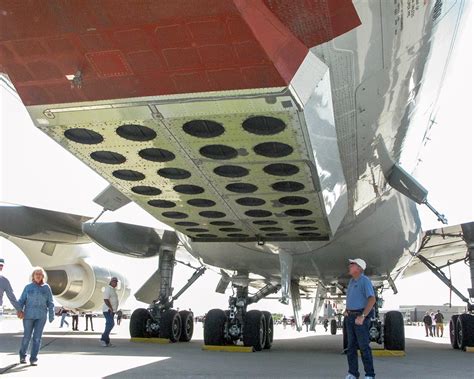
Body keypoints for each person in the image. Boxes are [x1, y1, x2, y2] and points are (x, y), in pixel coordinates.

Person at [344, 258, 376, 379]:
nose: (349, 266)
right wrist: (346, 310)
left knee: (364, 347)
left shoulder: (365, 281)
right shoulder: (352, 282)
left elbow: (372, 299)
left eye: (352, 265)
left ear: (359, 268)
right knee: (351, 347)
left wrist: (363, 316)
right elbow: (352, 298)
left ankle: (369, 374)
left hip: (360, 317)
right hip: (350, 317)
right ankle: (353, 373)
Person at [18, 267, 54, 366]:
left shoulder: (46, 287)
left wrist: (51, 315)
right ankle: (22, 356)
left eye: (40, 274)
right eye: (36, 274)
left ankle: (33, 358)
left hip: (41, 316)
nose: (38, 275)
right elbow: (21, 300)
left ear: (43, 276)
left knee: (37, 338)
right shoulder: (28, 287)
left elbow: (50, 302)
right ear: (33, 276)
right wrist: (19, 310)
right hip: (28, 315)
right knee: (26, 337)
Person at [100, 277, 119, 347]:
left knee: (108, 325)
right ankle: (103, 339)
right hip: (107, 310)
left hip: (112, 311)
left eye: (116, 282)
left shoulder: (113, 290)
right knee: (111, 324)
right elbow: (106, 299)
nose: (115, 283)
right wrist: (110, 308)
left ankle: (107, 342)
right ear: (111, 282)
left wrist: (115, 310)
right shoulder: (108, 289)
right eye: (114, 281)